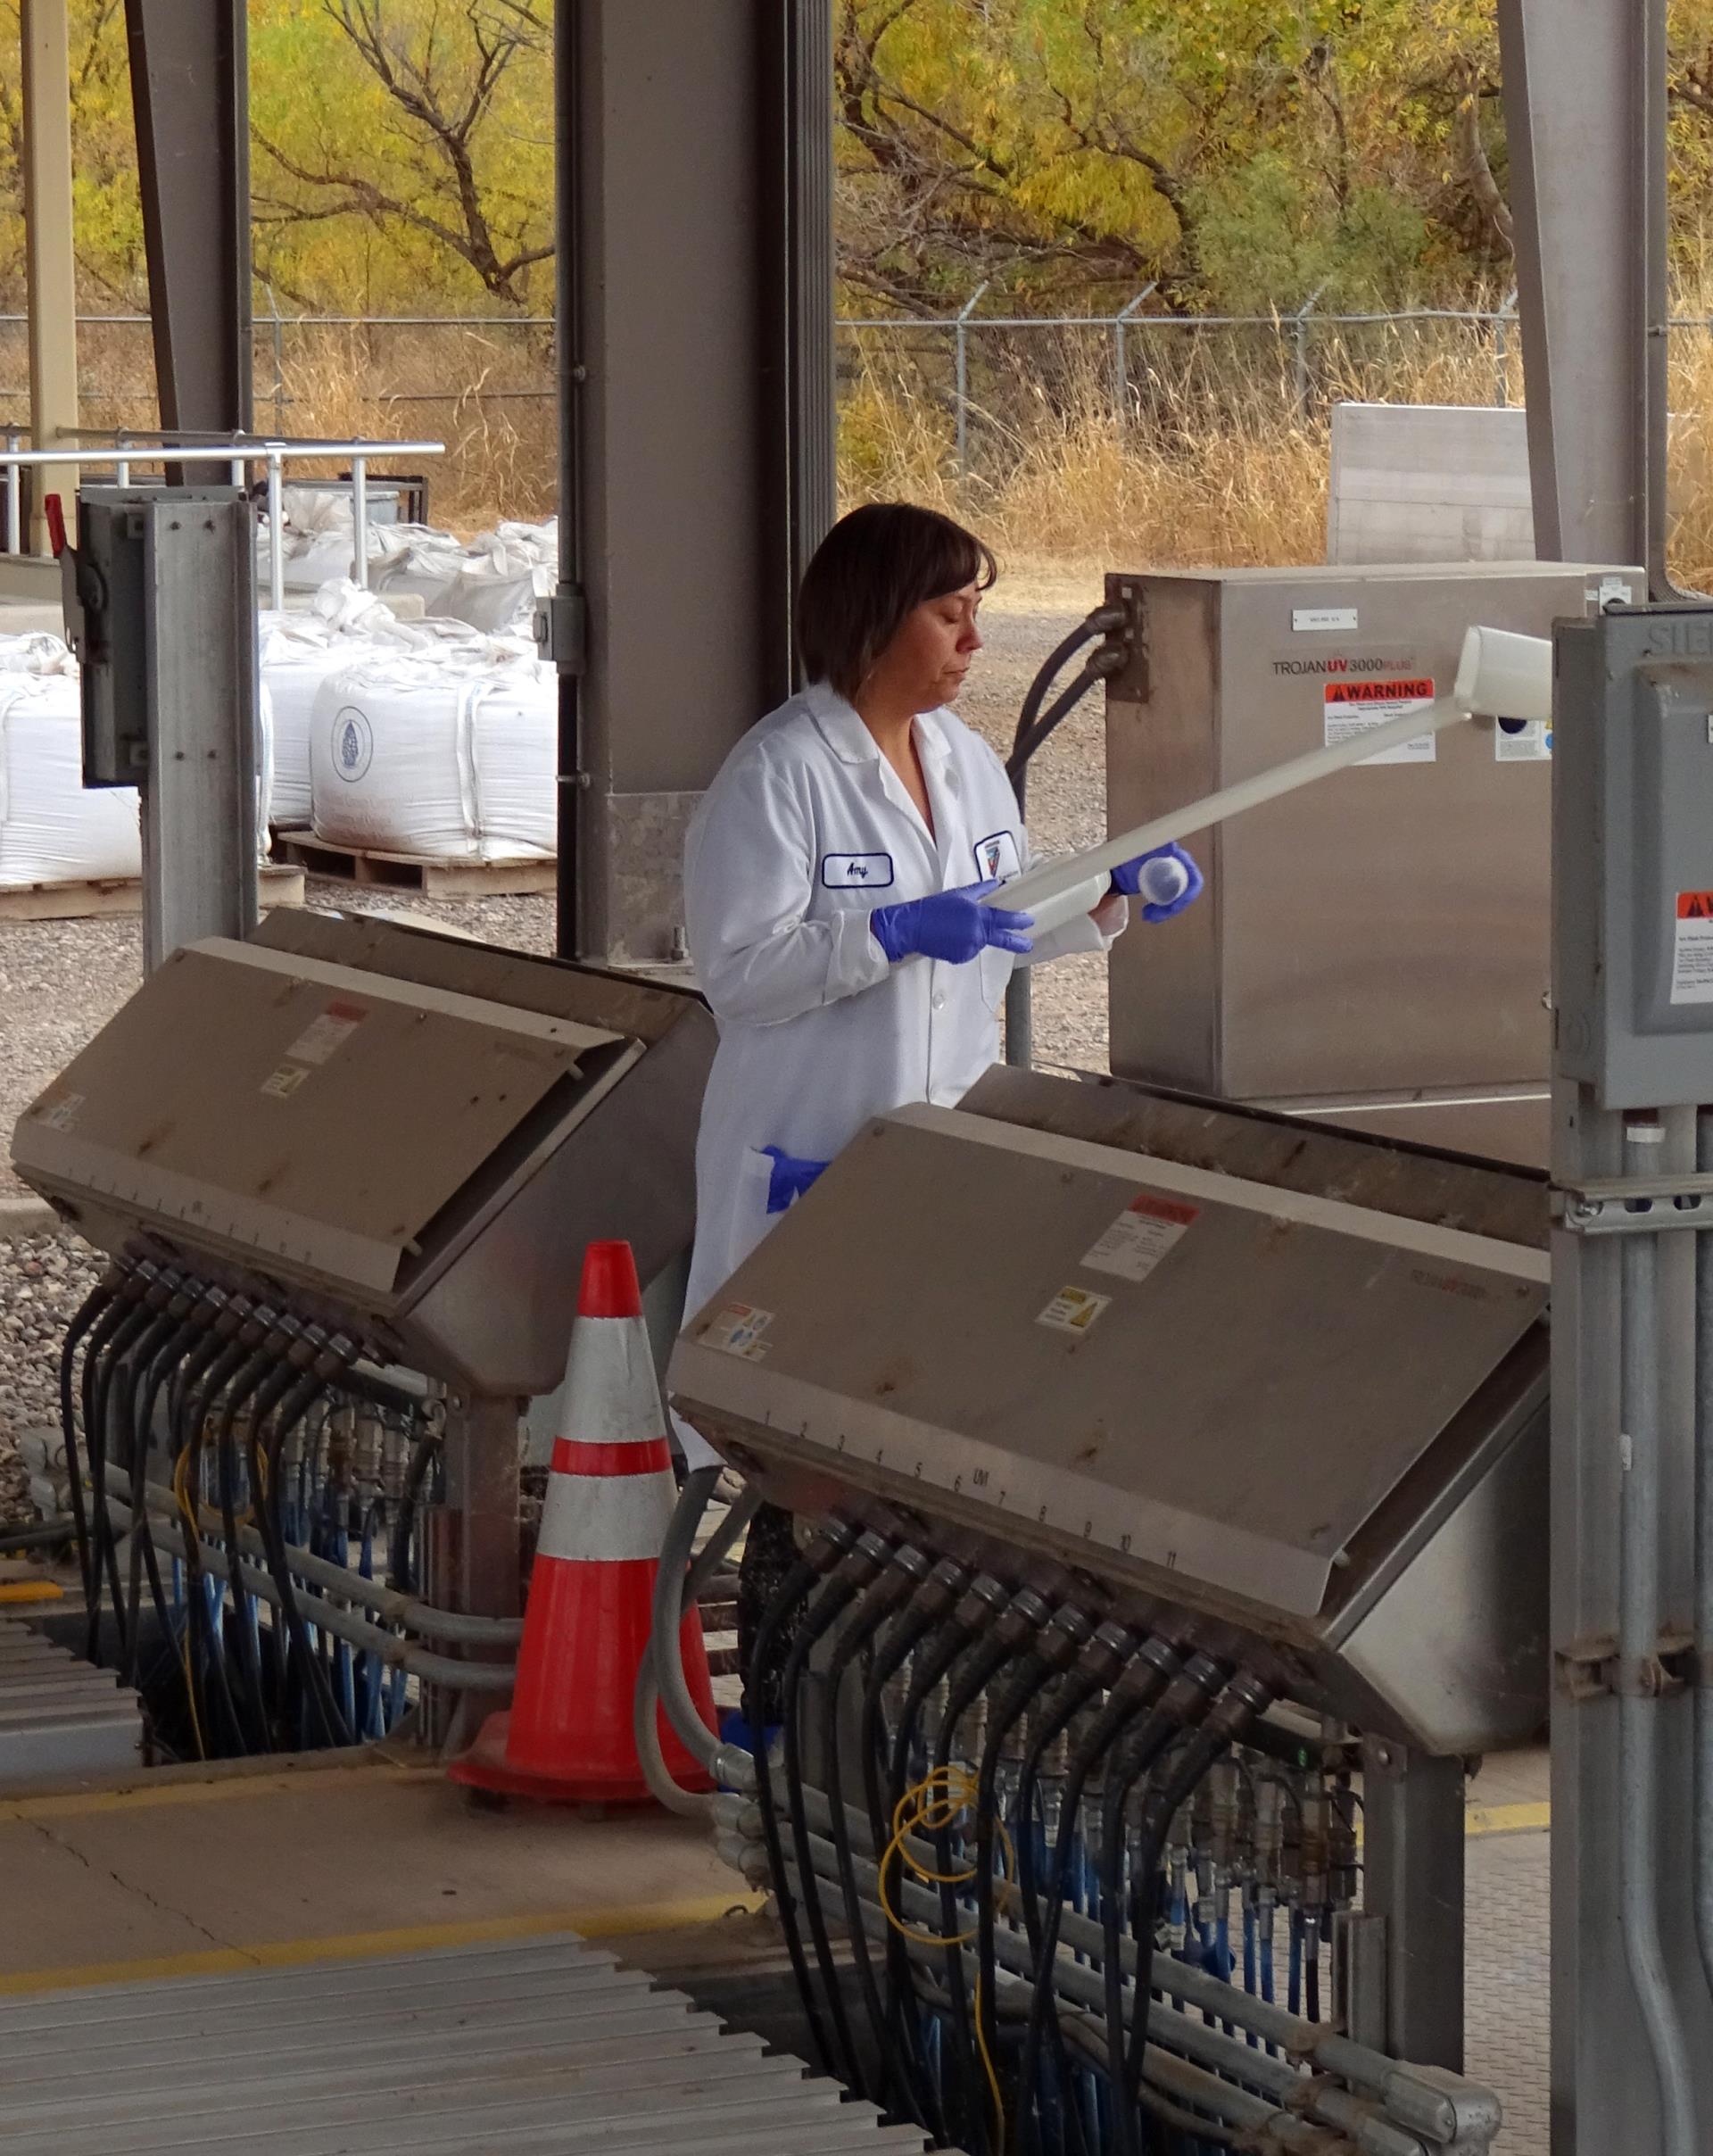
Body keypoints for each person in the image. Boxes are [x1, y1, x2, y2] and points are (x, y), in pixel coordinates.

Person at [673, 502, 1201, 1463]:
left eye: (975, 610)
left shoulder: (963, 764)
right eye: (950, 611)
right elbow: (740, 976)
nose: (975, 638)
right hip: (808, 1164)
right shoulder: (780, 774)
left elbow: (998, 926)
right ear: (875, 617)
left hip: (938, 1164)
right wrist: (889, 932)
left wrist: (1102, 891)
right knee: (789, 1449)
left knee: (912, 1435)